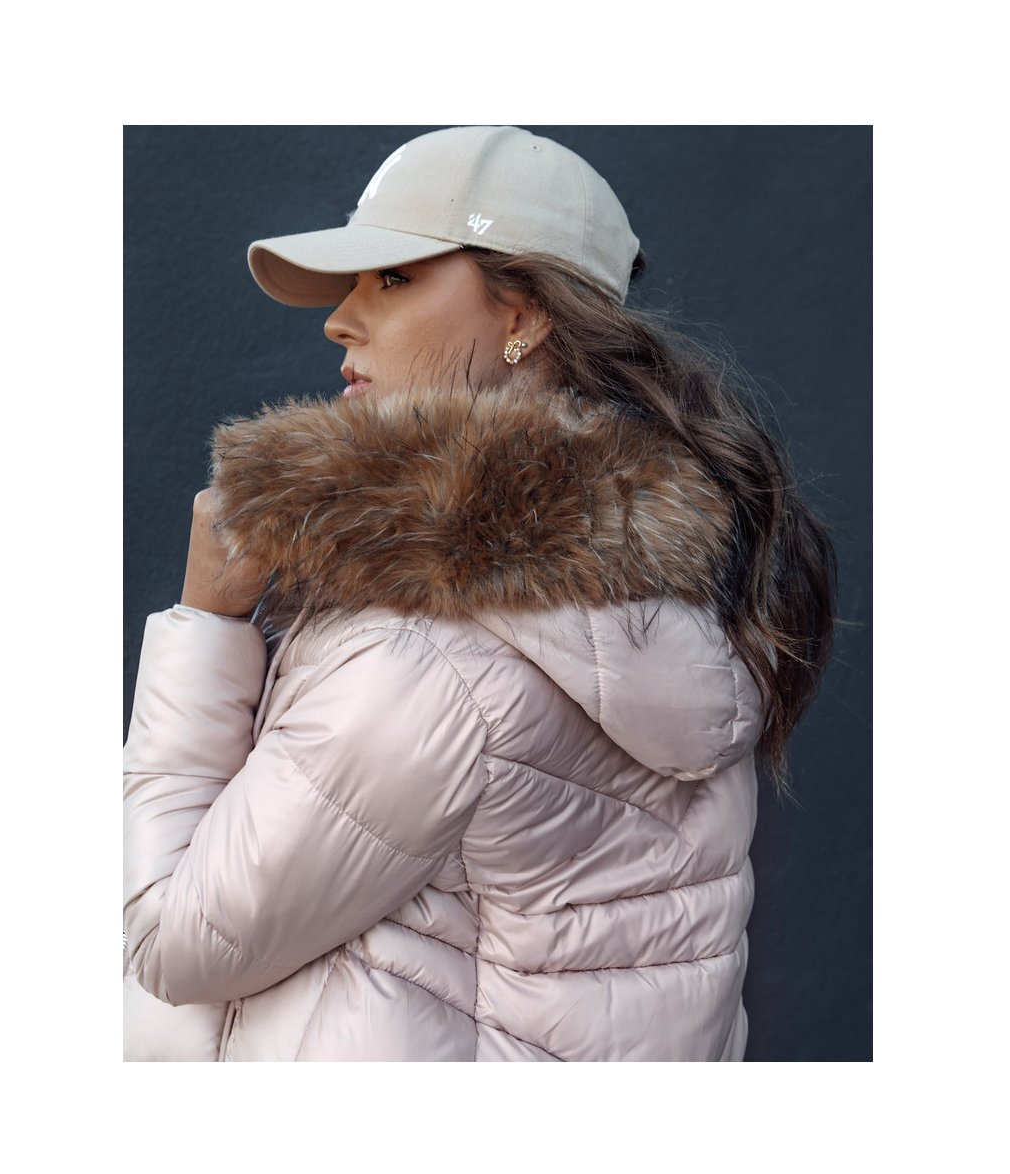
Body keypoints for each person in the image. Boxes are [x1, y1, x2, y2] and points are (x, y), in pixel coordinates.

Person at [123, 125, 837, 1061]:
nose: (340, 320)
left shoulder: (430, 657)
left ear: (524, 318)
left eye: (392, 278)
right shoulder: (658, 590)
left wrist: (205, 622)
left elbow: (169, 942)